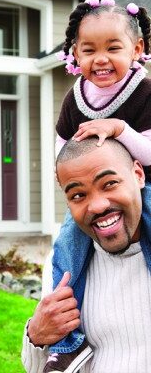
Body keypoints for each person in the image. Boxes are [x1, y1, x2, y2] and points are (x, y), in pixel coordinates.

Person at [43, 0, 151, 372]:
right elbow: (62, 148)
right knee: (67, 251)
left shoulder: (144, 92)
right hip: (100, 187)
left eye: (113, 48)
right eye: (88, 50)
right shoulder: (76, 97)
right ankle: (69, 343)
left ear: (137, 49)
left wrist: (120, 129)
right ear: (75, 53)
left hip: (145, 189)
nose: (100, 59)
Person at [22, 137, 151, 373]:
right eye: (78, 196)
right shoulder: (63, 264)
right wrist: (37, 336)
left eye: (110, 183)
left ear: (138, 175)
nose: (97, 206)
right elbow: (42, 369)